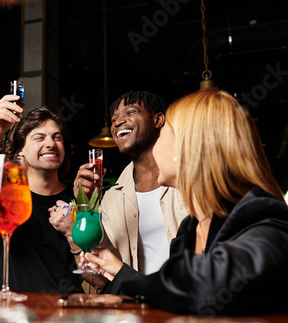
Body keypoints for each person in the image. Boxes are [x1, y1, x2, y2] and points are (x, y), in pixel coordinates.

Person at [83, 88, 288, 315]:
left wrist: (128, 281)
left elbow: (206, 284)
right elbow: (180, 297)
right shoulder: (189, 228)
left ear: (189, 147)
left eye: (165, 135)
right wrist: (121, 274)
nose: (157, 146)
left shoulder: (263, 213)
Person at [50, 91, 188, 288]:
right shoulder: (109, 198)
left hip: (186, 305)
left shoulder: (191, 182)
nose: (117, 122)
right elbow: (100, 280)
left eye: (130, 113)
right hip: (132, 308)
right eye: (114, 119)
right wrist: (86, 205)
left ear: (158, 120)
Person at [0, 95, 83, 293]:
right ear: (20, 151)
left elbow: (95, 275)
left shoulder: (79, 200)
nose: (51, 144)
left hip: (66, 315)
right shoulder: (4, 198)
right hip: (12, 313)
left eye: (57, 137)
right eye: (39, 137)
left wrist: (73, 235)